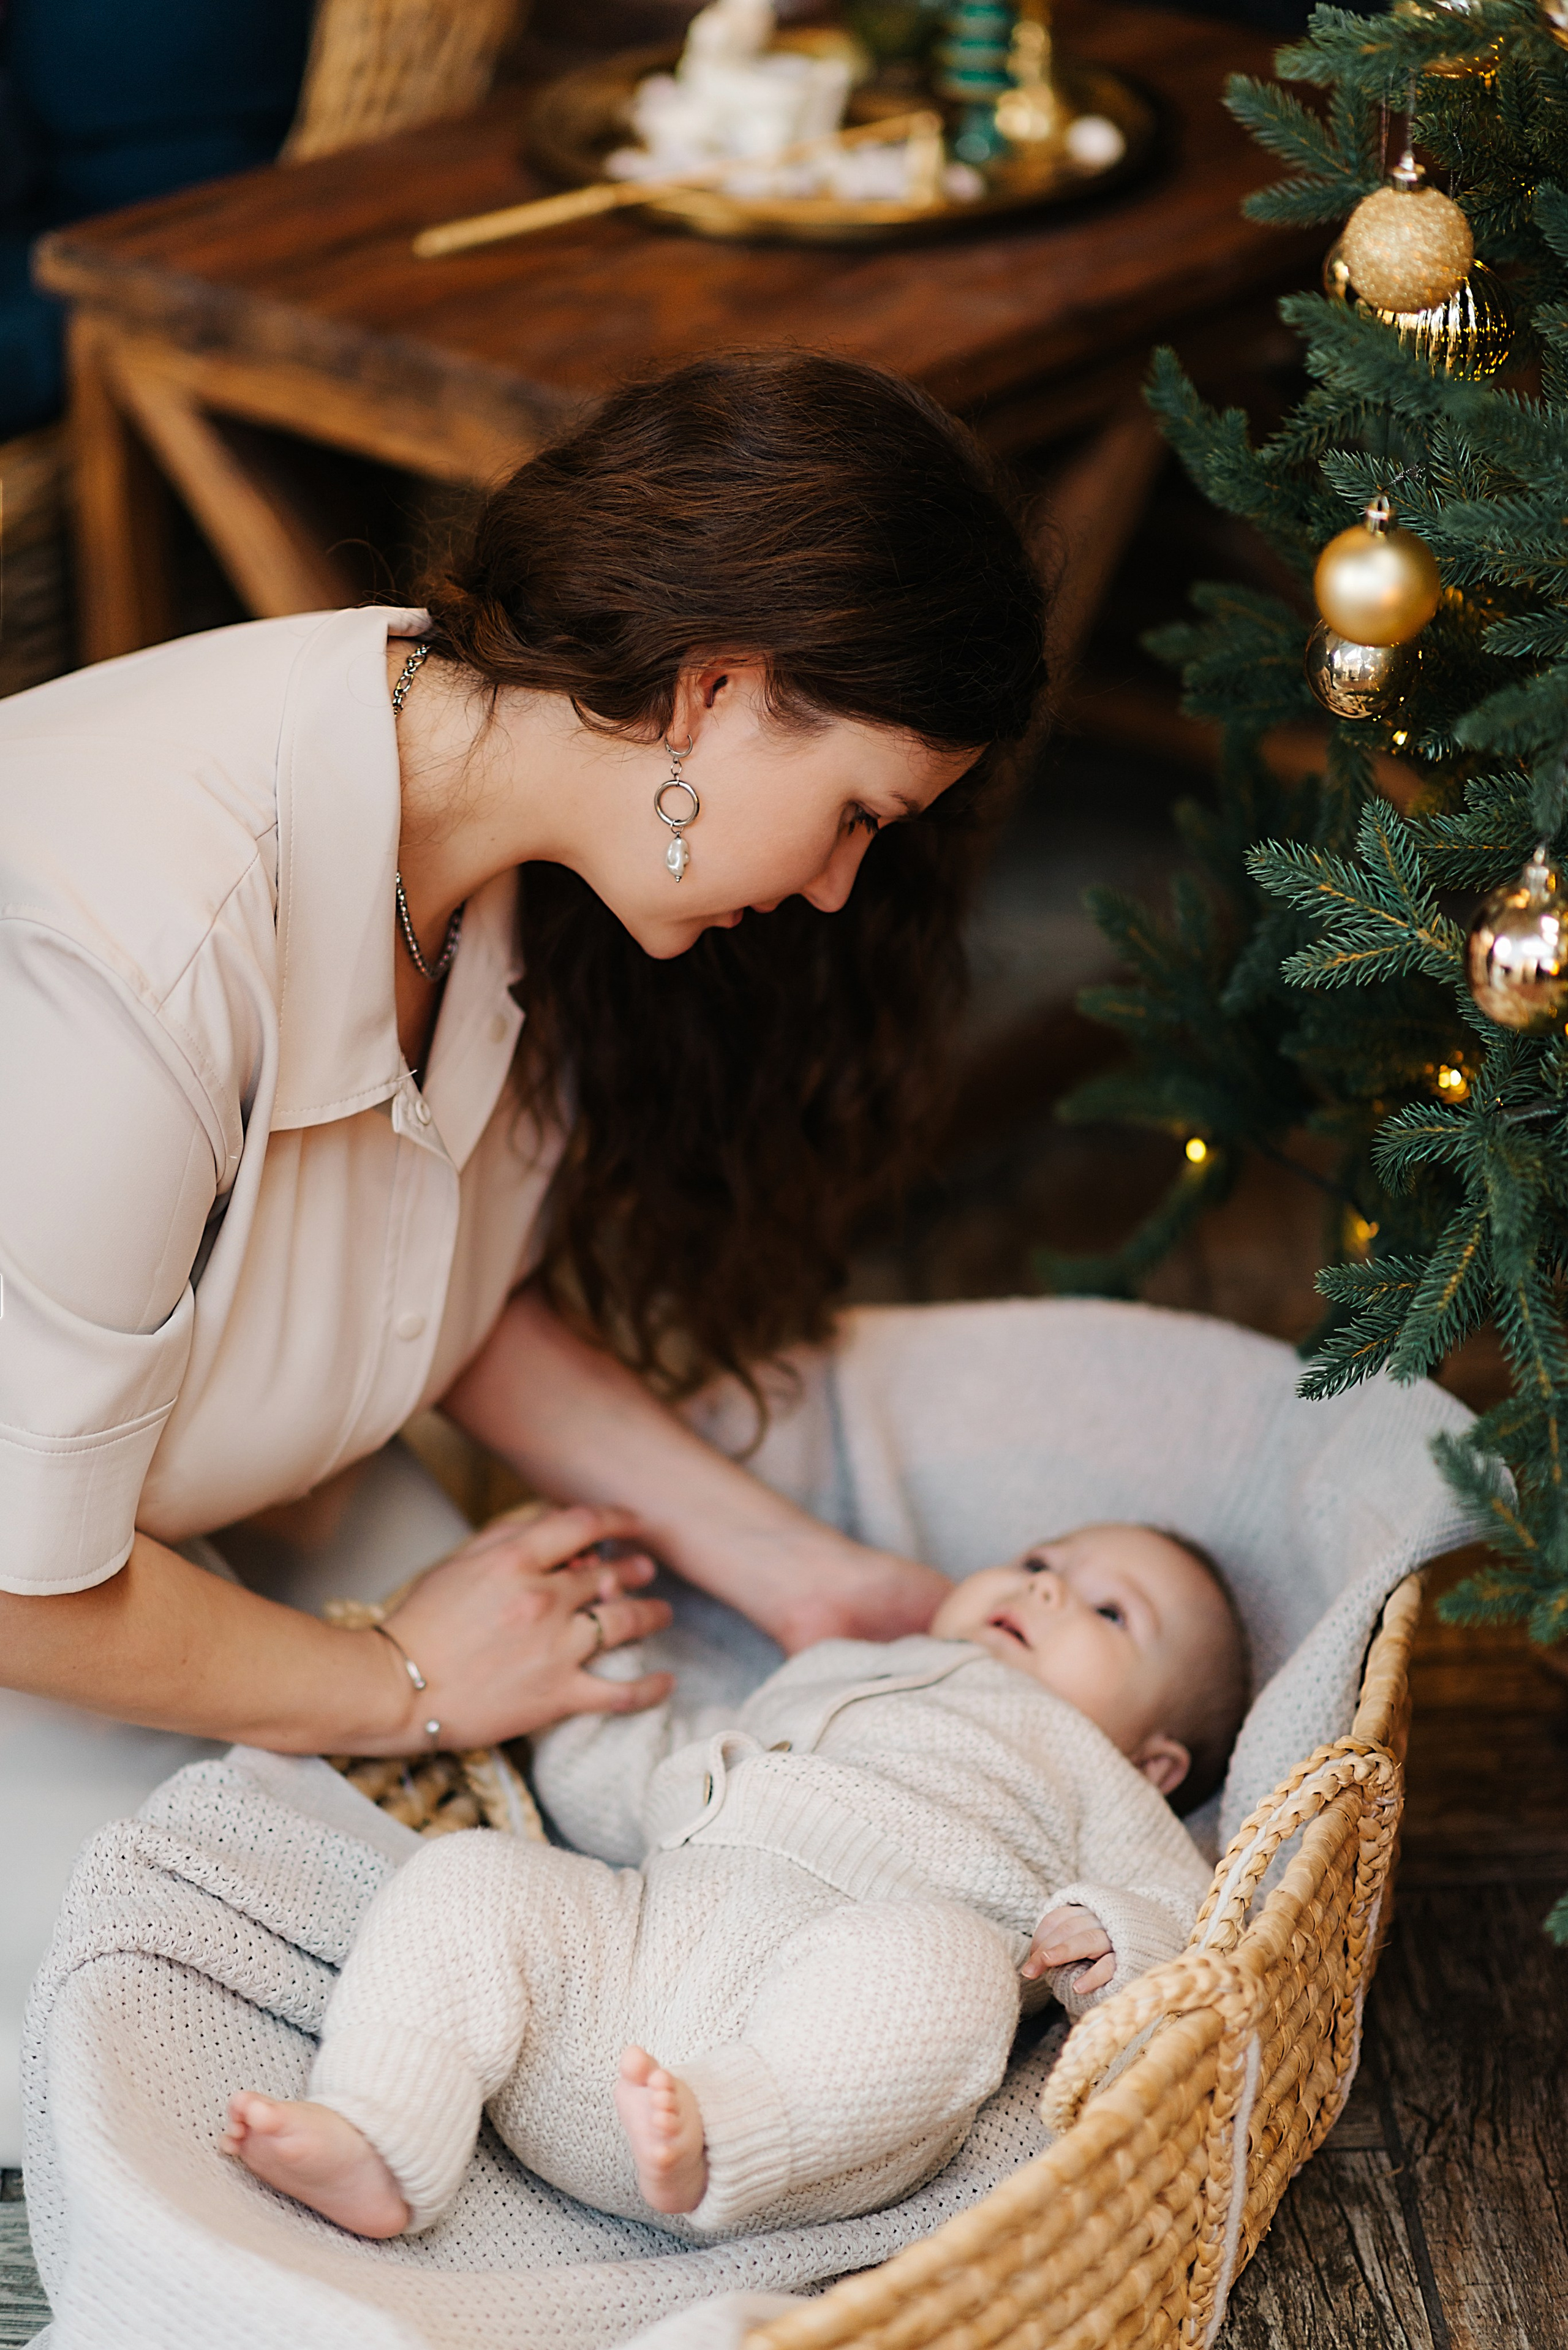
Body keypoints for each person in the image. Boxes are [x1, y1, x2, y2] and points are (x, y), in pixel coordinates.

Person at [0, 351, 1046, 2161]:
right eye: (863, 814)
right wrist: (397, 1675)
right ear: (716, 694)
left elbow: (410, 1275)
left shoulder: (482, 798)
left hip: (162, 1503)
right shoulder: (131, 946)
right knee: (292, 2006)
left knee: (566, 1871)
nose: (833, 893)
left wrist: (794, 1570)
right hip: (36, 1578)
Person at [219, 1522, 1250, 2239]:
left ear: (1159, 1763)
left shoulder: (1102, 1776)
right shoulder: (845, 1663)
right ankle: (384, 2130)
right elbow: (628, 1791)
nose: (1046, 1587)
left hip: (813, 2094)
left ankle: (725, 2126)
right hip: (626, 1977)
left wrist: (1112, 1934)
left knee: (951, 1971)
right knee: (474, 1876)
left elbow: (1190, 1919)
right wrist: (579, 1704)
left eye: (1110, 1613)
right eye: (1038, 1560)